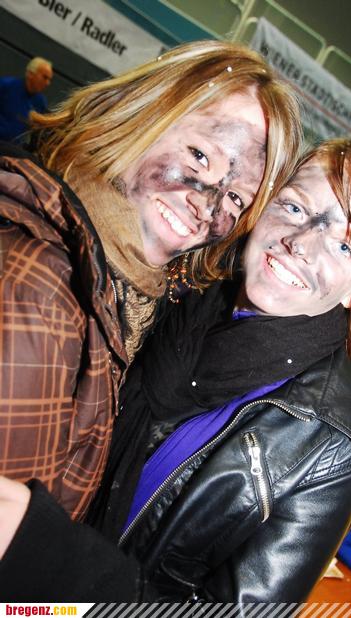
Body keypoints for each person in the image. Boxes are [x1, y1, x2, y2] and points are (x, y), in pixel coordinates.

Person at [0, 138, 351, 603]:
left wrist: (51, 556)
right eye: (295, 208)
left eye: (342, 245)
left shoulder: (333, 448)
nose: (300, 243)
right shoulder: (168, 298)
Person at [0, 40, 301, 520]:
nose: (207, 205)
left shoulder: (129, 297)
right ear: (141, 116)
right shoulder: (42, 286)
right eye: (200, 156)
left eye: (236, 200)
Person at [0, 57, 53, 143]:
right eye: (45, 77)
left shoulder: (40, 102)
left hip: (12, 147)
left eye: (49, 79)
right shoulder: (6, 85)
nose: (48, 83)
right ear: (30, 74)